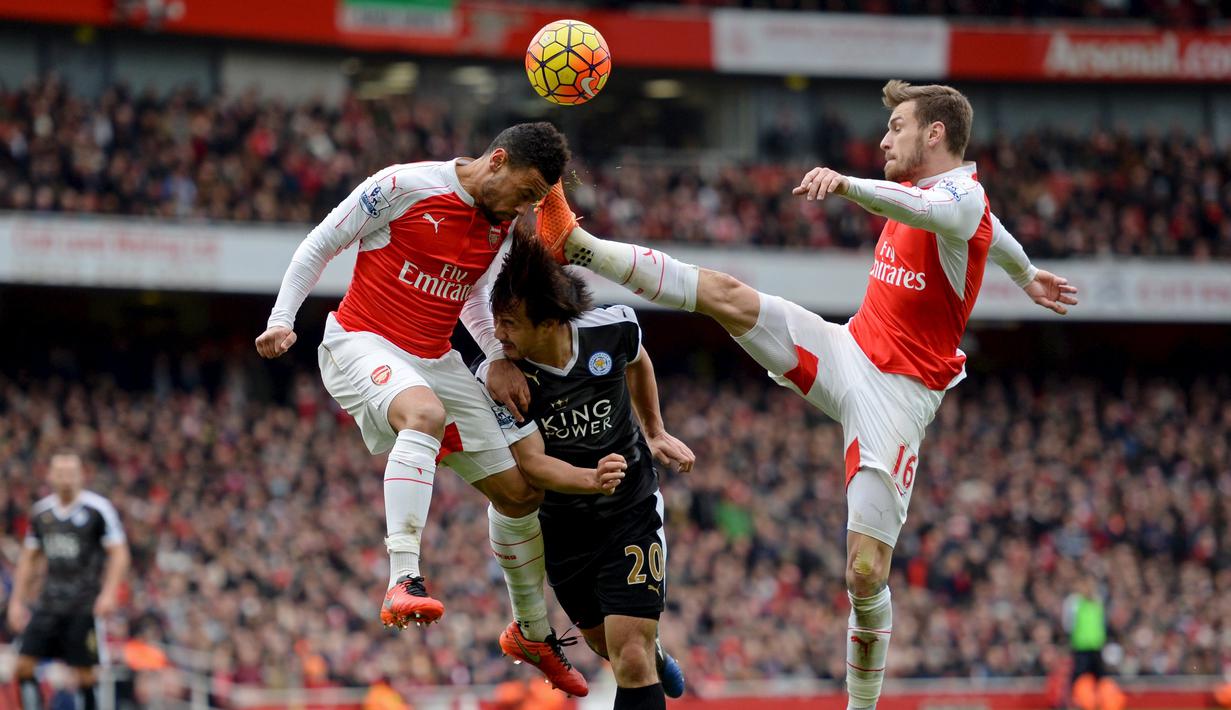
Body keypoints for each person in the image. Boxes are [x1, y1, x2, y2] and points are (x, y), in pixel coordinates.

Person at [527, 80, 1080, 709]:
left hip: (896, 398)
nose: (883, 138)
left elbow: (949, 213)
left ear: (936, 134)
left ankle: (860, 707)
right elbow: (992, 230)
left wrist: (846, 186)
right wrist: (1028, 273)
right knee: (727, 298)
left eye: (896, 126)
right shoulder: (959, 201)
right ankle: (577, 244)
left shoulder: (954, 198)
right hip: (848, 350)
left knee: (865, 573)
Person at [254, 122, 586, 695]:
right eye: (526, 192)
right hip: (362, 341)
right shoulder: (404, 186)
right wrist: (282, 319)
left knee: (521, 491)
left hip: (435, 357)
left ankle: (531, 632)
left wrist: (493, 358)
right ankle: (402, 577)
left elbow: (474, 297)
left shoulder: (503, 221)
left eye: (537, 201)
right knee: (424, 414)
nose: (527, 207)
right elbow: (322, 241)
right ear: (497, 161)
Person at [476, 236, 692, 709]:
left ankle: (645, 649)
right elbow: (532, 464)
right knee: (607, 647)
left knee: (628, 655)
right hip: (564, 526)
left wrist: (654, 431)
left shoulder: (612, 328)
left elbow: (638, 361)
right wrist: (590, 478)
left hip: (630, 509)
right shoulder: (502, 379)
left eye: (509, 323)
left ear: (550, 322)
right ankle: (653, 651)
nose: (496, 333)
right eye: (495, 320)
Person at [7, 451, 130, 710]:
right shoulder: (42, 513)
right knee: (24, 665)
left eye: (72, 473)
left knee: (85, 674)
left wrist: (108, 593)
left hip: (83, 603)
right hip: (49, 602)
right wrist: (17, 601)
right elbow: (29, 559)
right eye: (60, 472)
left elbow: (119, 554)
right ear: (50, 475)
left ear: (82, 476)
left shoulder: (98, 510)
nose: (66, 478)